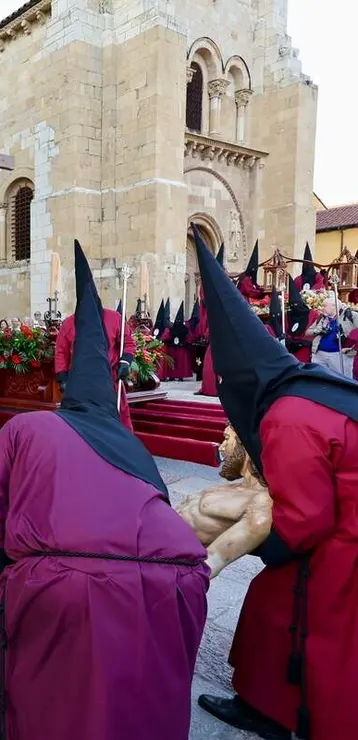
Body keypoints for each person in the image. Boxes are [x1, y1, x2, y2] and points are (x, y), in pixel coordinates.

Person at [0, 240, 208, 740]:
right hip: (180, 583)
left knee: (31, 638)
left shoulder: (27, 429)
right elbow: (158, 503)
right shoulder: (137, 450)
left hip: (63, 578)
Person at [190, 225, 358, 740]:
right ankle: (269, 705)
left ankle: (283, 713)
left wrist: (250, 538)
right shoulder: (310, 385)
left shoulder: (286, 417)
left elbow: (305, 521)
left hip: (343, 542)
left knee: (284, 605)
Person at [54, 244, 136, 430]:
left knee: (117, 425)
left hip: (110, 381)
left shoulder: (114, 318)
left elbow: (128, 343)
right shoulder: (69, 324)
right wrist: (63, 379)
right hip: (79, 383)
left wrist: (125, 362)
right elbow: (61, 352)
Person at [306, 295, 355, 376]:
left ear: (334, 306)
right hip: (319, 355)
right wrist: (318, 331)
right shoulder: (322, 317)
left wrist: (354, 348)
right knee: (319, 380)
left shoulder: (349, 315)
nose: (322, 308)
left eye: (324, 306)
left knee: (341, 381)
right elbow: (308, 332)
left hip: (339, 355)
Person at [161, 302, 194, 381]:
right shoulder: (185, 329)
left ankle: (172, 376)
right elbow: (190, 339)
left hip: (172, 349)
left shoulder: (171, 328)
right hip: (182, 349)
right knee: (181, 363)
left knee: (173, 362)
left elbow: (165, 337)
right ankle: (180, 376)